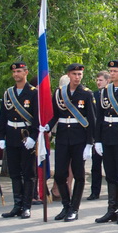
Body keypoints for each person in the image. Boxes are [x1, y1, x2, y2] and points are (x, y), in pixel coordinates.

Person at [47, 63, 96, 222]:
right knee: (60, 174)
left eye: (80, 74)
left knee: (79, 174)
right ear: (68, 75)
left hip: (79, 138)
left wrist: (90, 143)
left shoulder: (87, 94)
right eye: (74, 74)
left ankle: (74, 209)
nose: (77, 77)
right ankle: (66, 205)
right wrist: (46, 126)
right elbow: (55, 115)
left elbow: (91, 120)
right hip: (62, 137)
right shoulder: (59, 93)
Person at [0, 62, 39, 219]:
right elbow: (3, 117)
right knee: (14, 173)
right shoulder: (8, 93)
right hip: (11, 135)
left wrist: (33, 137)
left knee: (28, 173)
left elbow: (37, 118)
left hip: (26, 135)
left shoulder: (33, 93)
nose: (16, 74)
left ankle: (27, 206)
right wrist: (0, 137)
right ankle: (17, 205)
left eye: (19, 71)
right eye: (14, 71)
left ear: (26, 72)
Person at [94, 60, 118, 225]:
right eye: (111, 71)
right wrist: (98, 139)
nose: (112, 73)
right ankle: (111, 209)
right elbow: (99, 118)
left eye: (115, 71)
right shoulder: (104, 92)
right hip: (107, 136)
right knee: (109, 174)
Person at [87, 71, 109, 200]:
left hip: (109, 134)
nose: (98, 82)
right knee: (95, 166)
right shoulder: (93, 95)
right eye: (97, 80)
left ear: (107, 81)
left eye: (101, 80)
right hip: (96, 134)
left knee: (110, 166)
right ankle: (95, 192)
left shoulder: (112, 94)